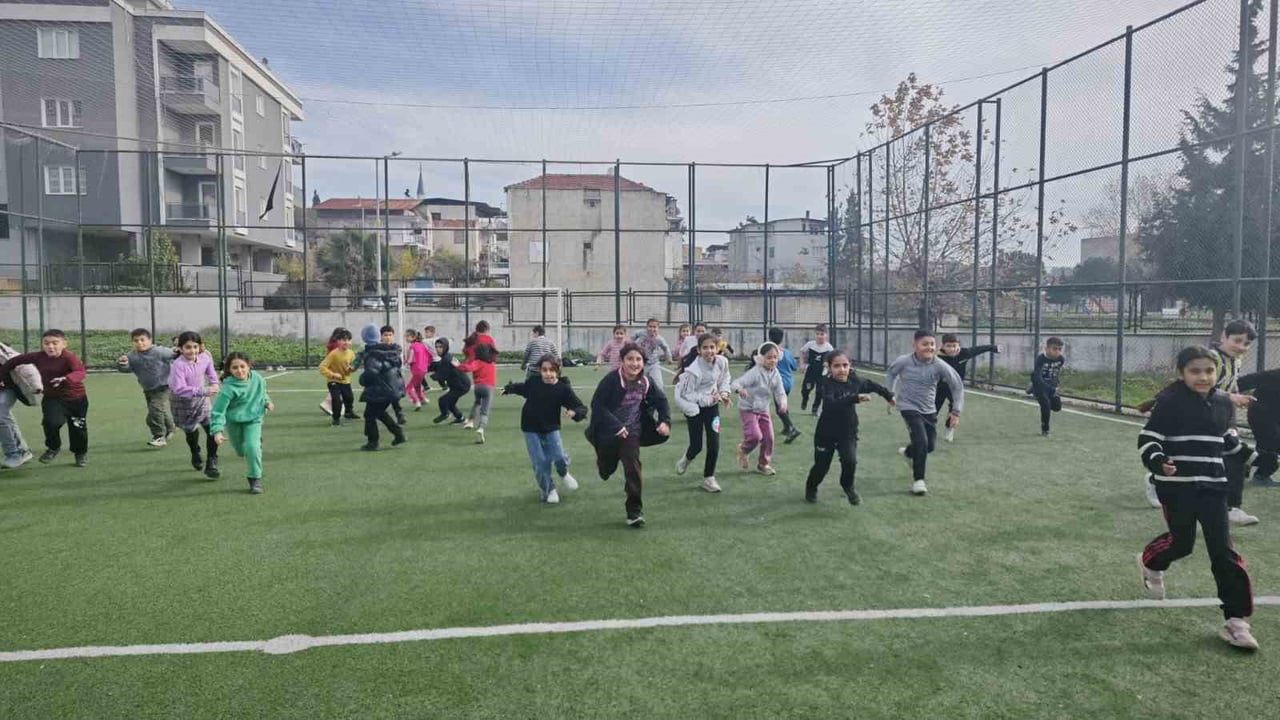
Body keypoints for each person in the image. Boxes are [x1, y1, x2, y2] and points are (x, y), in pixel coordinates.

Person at [1137, 345, 1278, 650]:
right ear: (1182, 373)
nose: (1203, 377)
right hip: (1177, 488)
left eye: (1209, 371)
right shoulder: (1170, 402)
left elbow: (1226, 441)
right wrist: (1157, 459)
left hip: (1214, 487)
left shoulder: (1222, 403)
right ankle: (1150, 561)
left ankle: (1236, 621)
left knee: (1224, 552)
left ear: (1217, 373)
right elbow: (1149, 438)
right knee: (1182, 543)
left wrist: (1260, 459)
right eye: (1195, 371)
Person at [1137, 320, 1259, 522]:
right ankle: (1155, 478)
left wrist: (1234, 397)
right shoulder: (1211, 359)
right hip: (1196, 415)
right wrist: (1231, 397)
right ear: (1223, 337)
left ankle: (1232, 507)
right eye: (1237, 340)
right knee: (1186, 457)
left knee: (1231, 458)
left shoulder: (1235, 361)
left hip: (1219, 415)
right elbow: (1202, 387)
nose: (1241, 347)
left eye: (1246, 344)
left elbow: (1227, 386)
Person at [585, 343, 672, 527]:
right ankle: (603, 464)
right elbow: (598, 406)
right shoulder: (611, 381)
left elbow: (661, 400)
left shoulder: (645, 382)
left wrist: (665, 421)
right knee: (607, 469)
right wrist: (616, 426)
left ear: (643, 362)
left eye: (638, 359)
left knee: (633, 467)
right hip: (608, 432)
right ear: (622, 361)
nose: (635, 363)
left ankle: (634, 512)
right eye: (630, 359)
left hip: (632, 431)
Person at [805, 351, 894, 504]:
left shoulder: (855, 381)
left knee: (850, 461)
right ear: (829, 367)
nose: (842, 369)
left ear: (850, 365)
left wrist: (889, 396)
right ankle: (811, 487)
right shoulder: (825, 384)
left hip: (847, 432)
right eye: (837, 366)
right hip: (825, 433)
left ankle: (848, 486)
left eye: (845, 365)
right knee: (821, 467)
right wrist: (855, 398)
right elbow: (831, 404)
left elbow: (872, 385)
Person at [885, 329, 964, 497]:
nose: (929, 347)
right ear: (915, 346)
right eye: (925, 344)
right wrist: (889, 393)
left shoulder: (940, 365)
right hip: (908, 407)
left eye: (932, 344)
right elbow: (891, 373)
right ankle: (918, 481)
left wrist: (955, 412)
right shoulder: (904, 361)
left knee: (929, 446)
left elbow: (957, 386)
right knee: (921, 441)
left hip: (929, 409)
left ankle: (908, 452)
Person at [502, 355, 588, 504]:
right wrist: (509, 389)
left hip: (551, 427)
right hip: (530, 428)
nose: (548, 373)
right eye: (544, 370)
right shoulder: (534, 382)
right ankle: (549, 489)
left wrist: (574, 412)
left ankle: (564, 473)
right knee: (540, 462)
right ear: (540, 371)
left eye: (552, 370)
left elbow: (580, 407)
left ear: (558, 370)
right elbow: (522, 388)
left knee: (559, 456)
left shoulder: (563, 388)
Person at [0, 330, 88, 468]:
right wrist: (3, 377)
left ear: (64, 344)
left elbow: (80, 372)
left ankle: (80, 454)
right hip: (52, 398)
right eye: (46, 343)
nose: (50, 346)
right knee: (50, 423)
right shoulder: (38, 357)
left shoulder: (70, 358)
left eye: (55, 343)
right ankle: (53, 448)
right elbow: (12, 362)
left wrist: (65, 378)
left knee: (78, 428)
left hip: (76, 400)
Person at [674, 333, 732, 493]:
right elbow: (687, 395)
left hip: (712, 407)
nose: (709, 351)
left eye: (712, 347)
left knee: (714, 443)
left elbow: (724, 379)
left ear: (717, 349)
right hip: (693, 407)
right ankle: (686, 459)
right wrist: (708, 399)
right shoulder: (692, 370)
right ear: (699, 350)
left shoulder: (722, 362)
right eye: (705, 348)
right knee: (697, 445)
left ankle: (709, 478)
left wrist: (725, 393)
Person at [210, 352, 274, 494]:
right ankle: (253, 446)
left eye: (242, 366)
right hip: (234, 422)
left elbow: (262, 393)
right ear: (229, 370)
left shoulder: (257, 379)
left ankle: (255, 478)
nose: (240, 371)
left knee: (252, 448)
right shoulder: (227, 389)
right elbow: (218, 411)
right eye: (235, 368)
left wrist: (266, 402)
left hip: (254, 419)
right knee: (241, 451)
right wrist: (217, 431)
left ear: (249, 366)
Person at [168, 331, 220, 478]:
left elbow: (211, 374)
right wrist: (204, 390)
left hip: (202, 400)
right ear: (180, 348)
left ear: (200, 346)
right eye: (188, 347)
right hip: (182, 402)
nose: (192, 350)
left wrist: (215, 384)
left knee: (212, 427)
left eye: (195, 347)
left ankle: (212, 462)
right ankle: (195, 451)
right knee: (191, 431)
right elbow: (179, 389)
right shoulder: (178, 365)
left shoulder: (205, 357)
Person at [731, 342, 788, 475]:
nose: (772, 360)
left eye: (775, 357)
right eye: (769, 357)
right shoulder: (755, 373)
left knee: (769, 438)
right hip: (748, 409)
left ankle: (763, 464)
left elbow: (780, 391)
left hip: (763, 409)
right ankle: (744, 450)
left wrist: (783, 403)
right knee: (755, 436)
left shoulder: (775, 373)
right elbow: (735, 383)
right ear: (761, 358)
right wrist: (740, 389)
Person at [116, 327, 177, 447]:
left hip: (164, 386)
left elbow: (174, 355)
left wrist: (177, 351)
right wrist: (123, 364)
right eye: (136, 341)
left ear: (150, 340)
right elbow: (127, 369)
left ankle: (159, 436)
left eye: (143, 340)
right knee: (160, 411)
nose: (140, 343)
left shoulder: (159, 351)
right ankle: (171, 427)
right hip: (148, 389)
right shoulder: (132, 356)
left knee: (155, 411)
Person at [936, 333, 1000, 443]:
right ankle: (928, 431)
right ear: (942, 346)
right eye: (949, 346)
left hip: (956, 389)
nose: (952, 349)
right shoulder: (936, 357)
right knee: (932, 411)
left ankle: (949, 429)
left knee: (954, 410)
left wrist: (993, 348)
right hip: (939, 387)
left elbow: (978, 349)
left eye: (954, 345)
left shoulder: (964, 353)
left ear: (958, 345)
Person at [353, 323, 406, 451]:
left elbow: (372, 372)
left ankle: (373, 442)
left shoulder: (372, 353)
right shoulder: (389, 350)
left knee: (370, 415)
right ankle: (398, 434)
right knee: (379, 412)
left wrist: (362, 380)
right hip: (392, 387)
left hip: (381, 389)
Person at [1239, 367, 1280, 487]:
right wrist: (1228, 393)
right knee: (1271, 443)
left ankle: (1243, 463)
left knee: (1269, 444)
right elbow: (1245, 381)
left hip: (1274, 415)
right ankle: (1261, 476)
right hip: (1261, 414)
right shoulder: (1274, 375)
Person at [458, 341, 498, 444]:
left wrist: (458, 365)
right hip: (489, 388)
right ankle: (481, 428)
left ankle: (470, 421)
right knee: (484, 411)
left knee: (476, 403)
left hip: (478, 387)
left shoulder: (478, 362)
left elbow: (468, 368)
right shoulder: (492, 363)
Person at [768, 327, 802, 444]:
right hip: (788, 382)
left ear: (769, 337)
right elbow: (794, 367)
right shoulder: (787, 352)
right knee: (783, 405)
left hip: (778, 383)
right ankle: (786, 428)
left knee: (779, 409)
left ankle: (792, 428)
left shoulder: (769, 352)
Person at [319, 328, 359, 426]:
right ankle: (336, 419)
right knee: (337, 400)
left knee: (349, 398)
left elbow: (354, 366)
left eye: (348, 340)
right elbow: (322, 367)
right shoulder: (333, 354)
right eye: (343, 340)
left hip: (345, 381)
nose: (346, 342)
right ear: (338, 341)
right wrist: (333, 374)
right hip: (333, 381)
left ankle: (348, 413)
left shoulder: (351, 353)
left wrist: (352, 369)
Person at [1029, 337, 1066, 437]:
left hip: (1051, 385)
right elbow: (1038, 377)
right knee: (1046, 405)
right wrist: (1048, 388)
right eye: (1055, 349)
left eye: (1060, 349)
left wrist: (1056, 385)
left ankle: (1032, 388)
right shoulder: (1040, 359)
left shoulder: (1061, 359)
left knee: (1057, 407)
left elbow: (1056, 373)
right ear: (1046, 349)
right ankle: (1045, 429)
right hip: (1040, 385)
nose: (1057, 352)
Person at [430, 338, 470, 425]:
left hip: (461, 386)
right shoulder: (447, 356)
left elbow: (442, 375)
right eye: (437, 347)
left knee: (442, 400)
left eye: (440, 347)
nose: (438, 349)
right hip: (458, 384)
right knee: (450, 403)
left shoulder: (446, 359)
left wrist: (433, 376)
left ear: (445, 347)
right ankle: (461, 419)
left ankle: (445, 414)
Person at [798, 324, 834, 414]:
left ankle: (815, 408)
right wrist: (801, 364)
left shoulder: (829, 348)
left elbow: (832, 360)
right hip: (811, 371)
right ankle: (805, 399)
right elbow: (802, 352)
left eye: (822, 334)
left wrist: (828, 367)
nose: (819, 336)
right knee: (806, 389)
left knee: (820, 391)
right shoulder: (810, 344)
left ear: (826, 335)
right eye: (817, 334)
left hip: (822, 373)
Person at [378, 325, 409, 426]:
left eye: (390, 335)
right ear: (381, 336)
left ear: (393, 336)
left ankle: (399, 415)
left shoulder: (397, 347)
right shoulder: (377, 347)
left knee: (393, 397)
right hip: (381, 378)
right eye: (385, 335)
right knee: (384, 399)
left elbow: (394, 356)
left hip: (394, 377)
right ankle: (397, 415)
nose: (388, 337)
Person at [633, 318, 673, 389]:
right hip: (641, 363)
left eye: (654, 327)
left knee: (658, 383)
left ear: (658, 328)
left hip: (653, 363)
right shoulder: (641, 333)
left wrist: (669, 358)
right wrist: (632, 343)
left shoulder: (659, 339)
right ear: (646, 327)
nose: (652, 329)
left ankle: (659, 397)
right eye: (650, 326)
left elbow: (665, 348)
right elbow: (634, 336)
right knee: (639, 383)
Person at [318, 327, 347, 417]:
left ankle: (335, 405)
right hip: (335, 370)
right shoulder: (336, 346)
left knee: (337, 388)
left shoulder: (332, 344)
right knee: (339, 388)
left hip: (332, 369)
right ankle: (328, 404)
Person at [404, 329, 434, 412]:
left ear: (413, 337)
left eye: (407, 336)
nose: (406, 338)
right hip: (423, 370)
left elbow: (410, 360)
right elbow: (431, 355)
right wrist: (426, 364)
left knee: (408, 388)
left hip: (416, 370)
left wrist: (405, 363)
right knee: (417, 385)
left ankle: (416, 401)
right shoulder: (422, 345)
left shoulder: (412, 346)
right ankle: (423, 399)